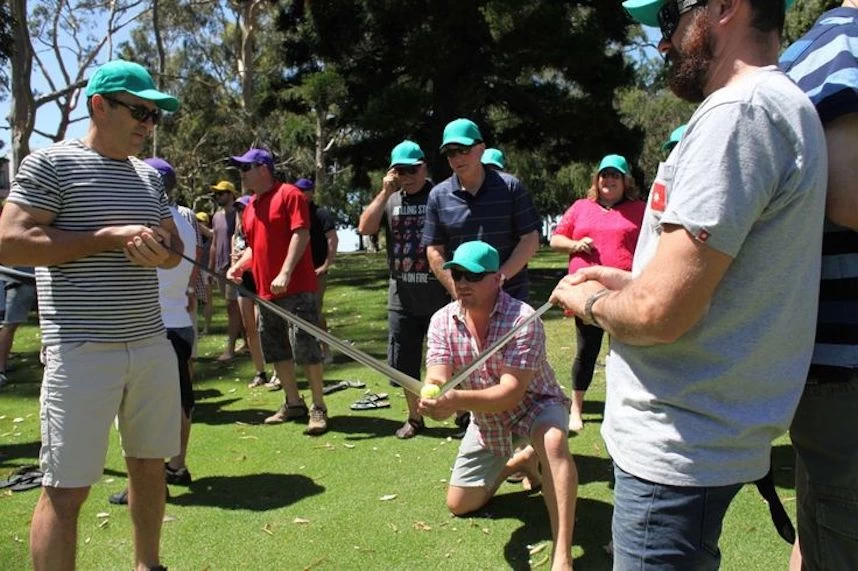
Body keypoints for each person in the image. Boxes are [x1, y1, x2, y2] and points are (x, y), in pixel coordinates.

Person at [550, 0, 825, 567]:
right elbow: (717, 280)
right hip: (697, 435)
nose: (662, 42)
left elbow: (660, 314)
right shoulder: (770, 106)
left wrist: (590, 298)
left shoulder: (740, 113)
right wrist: (630, 279)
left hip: (677, 444)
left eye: (669, 16)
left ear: (726, 6)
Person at [0, 59, 183, 571]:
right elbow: (9, 242)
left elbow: (171, 248)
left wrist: (161, 252)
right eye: (139, 111)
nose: (148, 124)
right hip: (80, 349)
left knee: (149, 467)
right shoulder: (49, 164)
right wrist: (100, 240)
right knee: (67, 487)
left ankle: (149, 565)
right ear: (99, 106)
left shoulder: (148, 177)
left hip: (149, 344)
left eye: (155, 116)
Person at [418, 241, 577, 571]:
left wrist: (455, 399)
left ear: (497, 279)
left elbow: (511, 394)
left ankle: (563, 552)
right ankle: (518, 463)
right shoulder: (441, 321)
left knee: (553, 441)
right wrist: (434, 395)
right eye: (457, 274)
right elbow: (437, 375)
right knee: (459, 505)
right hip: (485, 418)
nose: (462, 283)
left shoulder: (524, 319)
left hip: (535, 404)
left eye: (472, 276)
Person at [780, 4, 858, 569]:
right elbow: (848, 194)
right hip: (847, 369)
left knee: (822, 531)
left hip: (829, 368)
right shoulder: (845, 47)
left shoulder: (818, 45)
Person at [110, 157, 200, 504]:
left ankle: (151, 481)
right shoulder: (184, 222)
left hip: (151, 325)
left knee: (144, 410)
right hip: (179, 322)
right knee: (180, 399)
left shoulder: (148, 223)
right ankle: (176, 466)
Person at [225, 148, 329, 435]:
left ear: (263, 168)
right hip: (265, 293)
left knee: (305, 347)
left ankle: (318, 406)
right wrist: (240, 267)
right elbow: (253, 248)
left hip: (297, 287)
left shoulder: (290, 195)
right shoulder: (250, 207)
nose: (242, 174)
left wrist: (285, 272)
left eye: (246, 168)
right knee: (277, 348)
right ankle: (293, 402)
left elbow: (301, 233)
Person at [358, 140, 450, 439]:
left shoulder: (442, 194)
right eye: (400, 171)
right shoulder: (391, 199)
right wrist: (385, 190)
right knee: (404, 362)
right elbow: (365, 228)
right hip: (401, 296)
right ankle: (415, 417)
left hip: (440, 293)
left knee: (451, 357)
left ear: (424, 166)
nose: (407, 177)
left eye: (412, 170)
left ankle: (462, 415)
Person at [549, 154, 645, 432]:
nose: (609, 180)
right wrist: (576, 244)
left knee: (627, 353)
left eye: (616, 175)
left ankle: (625, 409)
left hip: (625, 291)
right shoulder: (581, 207)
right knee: (586, 351)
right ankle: (576, 410)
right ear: (597, 179)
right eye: (605, 175)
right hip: (586, 292)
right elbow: (556, 239)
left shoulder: (640, 209)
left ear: (626, 181)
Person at [422, 118, 540, 303]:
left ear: (481, 148)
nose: (458, 158)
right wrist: (457, 290)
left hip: (511, 297)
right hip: (464, 303)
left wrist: (498, 279)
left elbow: (530, 240)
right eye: (451, 153)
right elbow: (434, 251)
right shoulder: (438, 196)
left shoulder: (510, 188)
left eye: (464, 150)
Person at [296, 178, 338, 364]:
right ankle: (304, 351)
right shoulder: (295, 213)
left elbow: (332, 239)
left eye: (304, 191)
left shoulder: (321, 214)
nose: (300, 194)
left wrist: (326, 265)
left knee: (316, 311)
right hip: (298, 272)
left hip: (316, 271)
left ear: (311, 192)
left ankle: (325, 350)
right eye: (298, 190)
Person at [231, 194, 270, 389]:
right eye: (238, 209)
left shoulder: (257, 229)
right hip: (243, 284)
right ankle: (260, 372)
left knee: (264, 326)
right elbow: (233, 259)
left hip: (260, 282)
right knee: (249, 329)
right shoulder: (236, 234)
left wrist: (244, 262)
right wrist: (235, 268)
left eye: (243, 208)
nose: (240, 212)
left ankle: (278, 372)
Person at [209, 179, 243, 361]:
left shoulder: (238, 215)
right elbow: (214, 243)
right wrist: (211, 267)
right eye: (216, 194)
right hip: (220, 268)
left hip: (234, 268)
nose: (218, 197)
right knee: (233, 307)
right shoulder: (216, 216)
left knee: (233, 308)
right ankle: (245, 342)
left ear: (231, 194)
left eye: (221, 193)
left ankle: (230, 348)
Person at [0, 266, 36, 387]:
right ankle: (0, 368)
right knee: (9, 325)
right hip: (20, 278)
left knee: (10, 325)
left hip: (32, 278)